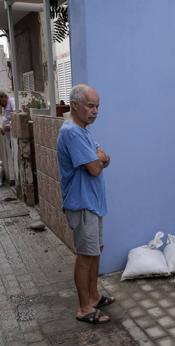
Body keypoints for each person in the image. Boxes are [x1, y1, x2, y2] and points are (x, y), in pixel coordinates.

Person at [57, 84, 114, 324]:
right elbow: (93, 167)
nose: (95, 111)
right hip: (82, 204)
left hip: (93, 203)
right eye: (90, 106)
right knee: (85, 255)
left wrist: (100, 158)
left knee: (95, 250)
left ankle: (94, 295)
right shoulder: (71, 132)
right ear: (75, 104)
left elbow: (104, 158)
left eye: (97, 106)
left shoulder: (84, 130)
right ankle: (84, 308)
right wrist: (99, 158)